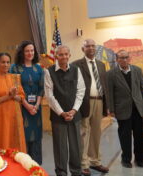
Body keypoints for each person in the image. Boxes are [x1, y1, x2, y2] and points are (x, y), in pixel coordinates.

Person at [44, 45, 86, 176]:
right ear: (56, 56)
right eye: (60, 55)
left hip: (75, 115)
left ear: (69, 55)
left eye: (66, 54)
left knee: (76, 146)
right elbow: (49, 95)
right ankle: (61, 172)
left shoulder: (76, 70)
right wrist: (61, 112)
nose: (63, 57)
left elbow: (81, 90)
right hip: (58, 116)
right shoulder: (49, 72)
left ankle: (76, 171)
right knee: (60, 147)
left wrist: (73, 110)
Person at [107, 50, 143, 168]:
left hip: (138, 108)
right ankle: (126, 159)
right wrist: (111, 109)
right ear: (117, 59)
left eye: (126, 57)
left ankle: (140, 159)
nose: (124, 60)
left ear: (130, 58)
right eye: (121, 58)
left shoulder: (137, 70)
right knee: (124, 136)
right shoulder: (111, 74)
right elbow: (109, 93)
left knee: (139, 136)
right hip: (122, 109)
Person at [72, 39, 109, 175]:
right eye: (88, 46)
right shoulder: (76, 65)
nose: (91, 48)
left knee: (96, 132)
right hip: (84, 102)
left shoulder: (101, 65)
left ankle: (95, 161)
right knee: (84, 132)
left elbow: (104, 85)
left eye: (93, 45)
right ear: (83, 49)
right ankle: (84, 163)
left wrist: (107, 104)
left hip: (99, 101)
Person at [10, 40, 44, 164]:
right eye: (27, 51)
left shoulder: (38, 68)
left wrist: (36, 105)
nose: (30, 53)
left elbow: (41, 89)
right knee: (24, 136)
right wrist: (27, 105)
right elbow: (16, 89)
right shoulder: (15, 68)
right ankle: (24, 166)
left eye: (32, 50)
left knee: (36, 138)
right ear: (22, 52)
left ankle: (36, 166)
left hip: (36, 109)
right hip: (21, 108)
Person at [0, 53, 26, 152]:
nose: (5, 65)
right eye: (3, 62)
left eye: (8, 62)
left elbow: (22, 97)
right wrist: (8, 96)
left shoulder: (15, 78)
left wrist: (14, 96)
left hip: (14, 117)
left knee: (15, 145)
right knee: (0, 144)